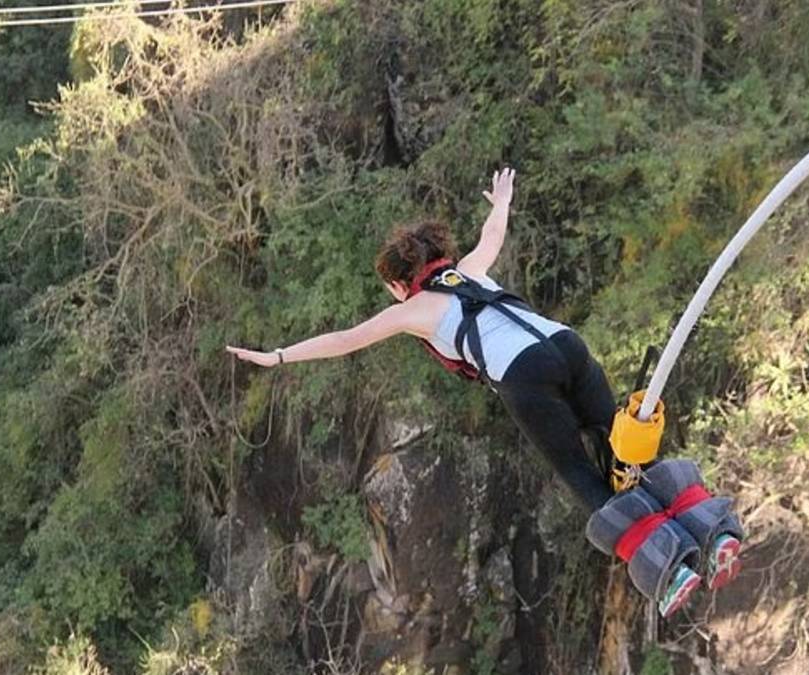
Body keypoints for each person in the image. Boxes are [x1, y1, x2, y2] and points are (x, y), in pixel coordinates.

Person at [226, 167, 737, 617]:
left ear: (402, 285)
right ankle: (712, 532)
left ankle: (668, 568)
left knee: (581, 473)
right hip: (567, 344)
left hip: (523, 374)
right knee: (626, 452)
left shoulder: (412, 310)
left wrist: (278, 357)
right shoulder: (470, 270)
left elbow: (345, 340)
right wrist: (503, 203)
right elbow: (493, 234)